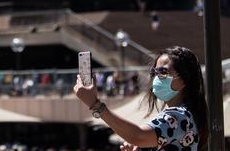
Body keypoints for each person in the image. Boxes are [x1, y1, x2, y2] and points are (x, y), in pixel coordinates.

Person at [74, 46, 207, 150]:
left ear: (185, 80)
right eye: (154, 72)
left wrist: (95, 104)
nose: (156, 78)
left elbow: (138, 136)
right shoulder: (186, 114)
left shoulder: (179, 116)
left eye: (163, 72)